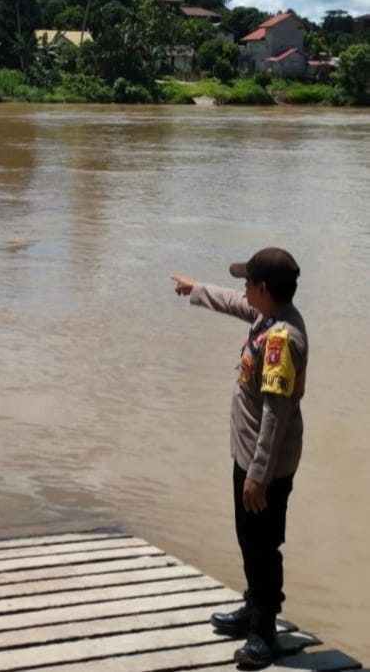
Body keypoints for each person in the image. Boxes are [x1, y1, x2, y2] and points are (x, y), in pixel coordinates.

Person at [171, 247, 307, 669]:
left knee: (263, 546)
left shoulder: (281, 339)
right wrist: (197, 289)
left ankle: (264, 633)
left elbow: (276, 413)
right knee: (249, 539)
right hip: (250, 456)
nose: (243, 289)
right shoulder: (269, 316)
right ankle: (253, 608)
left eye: (247, 282)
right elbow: (234, 302)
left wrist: (259, 476)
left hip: (265, 466)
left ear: (263, 289)